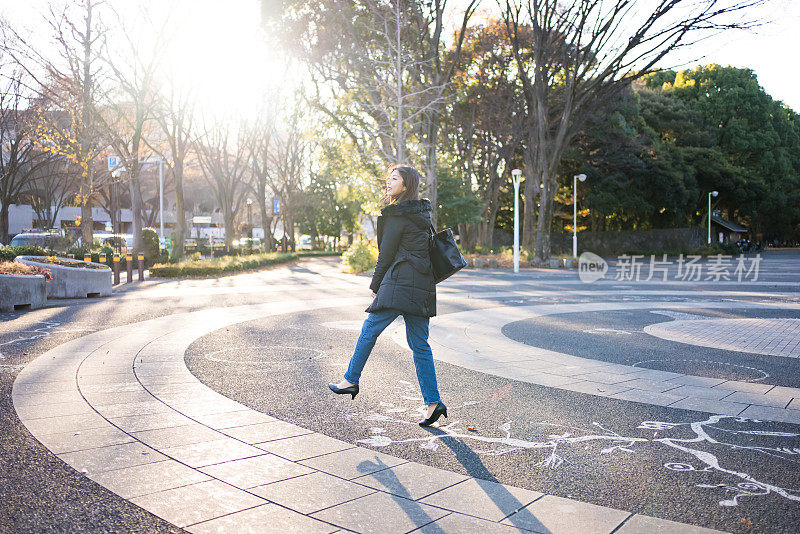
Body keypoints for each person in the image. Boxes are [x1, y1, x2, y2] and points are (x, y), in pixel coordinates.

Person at [328, 164, 447, 427]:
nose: (388, 182)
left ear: (406, 186)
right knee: (420, 345)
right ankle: (433, 403)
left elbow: (386, 254)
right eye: (389, 178)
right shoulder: (422, 213)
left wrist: (375, 285)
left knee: (370, 328)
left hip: (401, 281)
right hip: (422, 284)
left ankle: (350, 379)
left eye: (395, 179)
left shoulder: (398, 215)